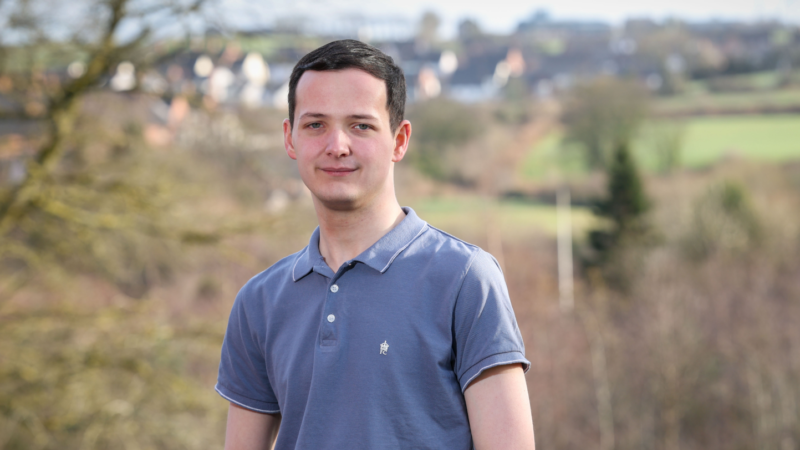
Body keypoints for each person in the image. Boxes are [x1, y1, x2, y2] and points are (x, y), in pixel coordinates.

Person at [216, 39, 535, 450]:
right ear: (290, 138)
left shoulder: (464, 280)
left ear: (399, 140)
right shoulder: (259, 302)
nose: (337, 145)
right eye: (315, 125)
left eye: (360, 125)